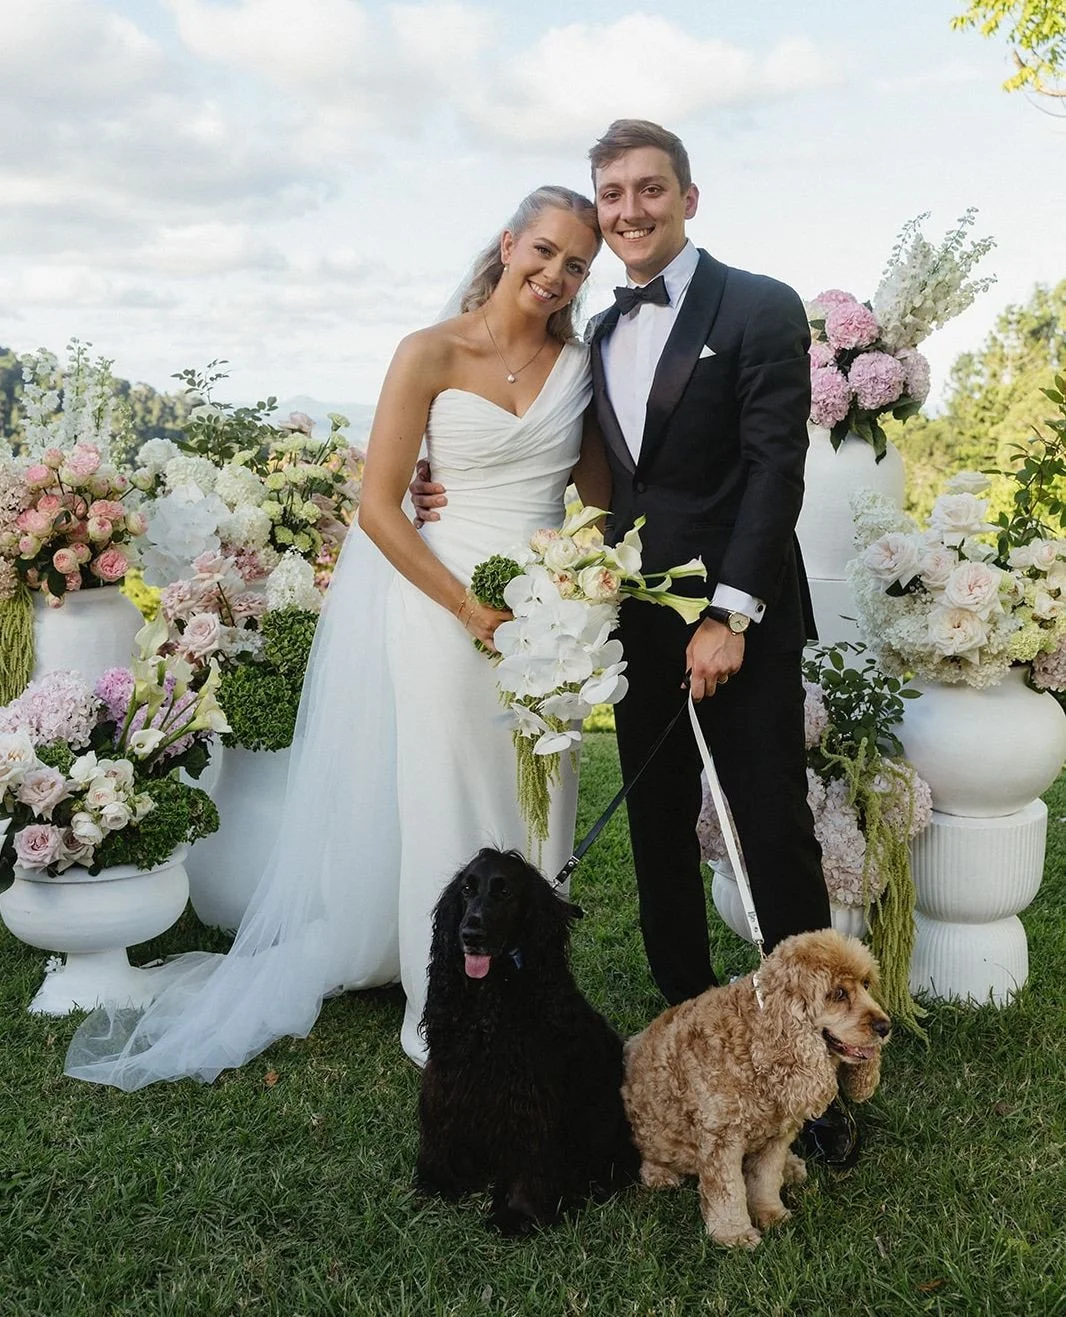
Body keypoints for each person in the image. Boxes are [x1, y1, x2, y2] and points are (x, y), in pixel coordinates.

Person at [64, 185, 608, 1088]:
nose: (557, 273)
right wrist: (467, 608)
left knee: (537, 792)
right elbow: (380, 506)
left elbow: (595, 496)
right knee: (444, 790)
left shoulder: (580, 367)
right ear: (509, 243)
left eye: (576, 264)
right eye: (545, 250)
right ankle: (446, 1002)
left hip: (549, 618)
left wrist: (578, 590)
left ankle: (527, 981)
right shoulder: (428, 352)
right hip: (442, 606)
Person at [413, 124, 846, 1154]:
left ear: (689, 197)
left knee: (768, 828)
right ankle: (688, 1019)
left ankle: (818, 1071)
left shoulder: (759, 304)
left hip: (738, 615)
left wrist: (728, 612)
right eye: (613, 195)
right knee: (656, 833)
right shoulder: (599, 329)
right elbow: (595, 472)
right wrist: (440, 482)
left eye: (650, 190)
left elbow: (773, 469)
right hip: (634, 618)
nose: (629, 211)